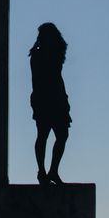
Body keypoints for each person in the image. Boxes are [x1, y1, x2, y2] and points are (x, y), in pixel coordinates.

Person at [29, 22, 71, 185]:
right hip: (45, 97)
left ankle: (51, 171)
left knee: (59, 135)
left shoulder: (52, 53)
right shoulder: (40, 55)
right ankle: (43, 170)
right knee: (44, 135)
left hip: (55, 97)